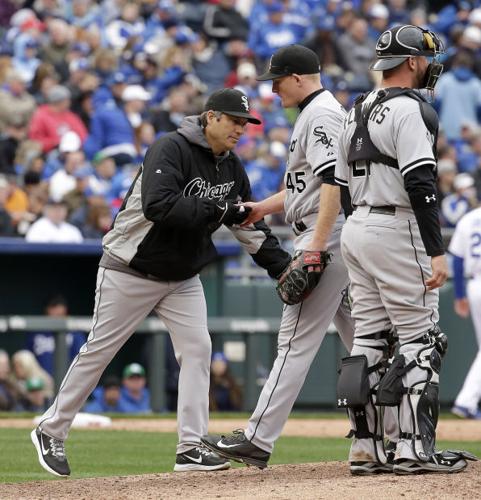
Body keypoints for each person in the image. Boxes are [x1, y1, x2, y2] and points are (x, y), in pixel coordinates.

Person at [31, 87, 291, 477]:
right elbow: (159, 204)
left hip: (182, 276)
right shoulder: (170, 148)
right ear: (211, 117)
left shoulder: (232, 167)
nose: (241, 128)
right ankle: (50, 429)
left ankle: (190, 448)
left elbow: (248, 225)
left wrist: (282, 266)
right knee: (100, 351)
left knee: (198, 351)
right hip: (130, 267)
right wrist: (221, 208)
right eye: (234, 120)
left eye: (245, 123)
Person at [202, 44, 354, 468]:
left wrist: (316, 248)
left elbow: (333, 185)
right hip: (335, 235)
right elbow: (308, 187)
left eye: (278, 80)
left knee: (294, 343)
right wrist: (259, 209)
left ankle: (257, 437)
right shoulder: (320, 111)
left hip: (325, 237)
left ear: (299, 78)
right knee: (363, 340)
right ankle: (389, 433)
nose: (274, 90)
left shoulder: (320, 114)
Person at [334, 25, 474, 475]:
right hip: (398, 227)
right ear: (412, 62)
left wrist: (360, 227)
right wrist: (436, 250)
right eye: (426, 58)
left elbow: (339, 188)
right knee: (422, 339)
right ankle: (414, 449)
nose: (431, 65)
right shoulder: (410, 109)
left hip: (356, 225)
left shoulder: (355, 107)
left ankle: (364, 447)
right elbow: (420, 182)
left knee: (369, 339)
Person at [449, 205, 481, 419]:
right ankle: (466, 401)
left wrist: (459, 294)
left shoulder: (469, 218)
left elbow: (458, 260)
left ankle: (468, 401)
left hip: (475, 285)